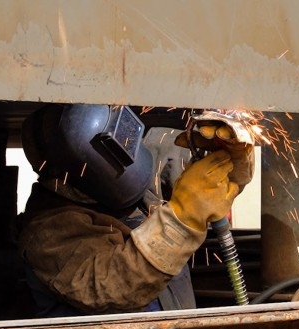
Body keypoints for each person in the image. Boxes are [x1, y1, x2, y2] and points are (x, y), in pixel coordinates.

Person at [16, 103, 254, 317]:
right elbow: (116, 286)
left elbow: (215, 181)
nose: (126, 162)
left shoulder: (140, 157)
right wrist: (181, 221)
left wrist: (231, 154)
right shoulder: (47, 234)